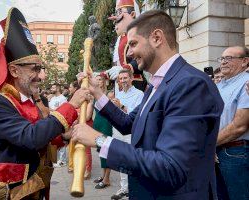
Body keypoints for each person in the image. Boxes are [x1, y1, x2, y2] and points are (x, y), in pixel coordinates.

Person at [72, 10, 224, 199]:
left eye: (133, 43)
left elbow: (171, 166)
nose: (129, 53)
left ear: (157, 38)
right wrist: (97, 92)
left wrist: (99, 141)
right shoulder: (157, 84)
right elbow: (128, 123)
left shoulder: (191, 84)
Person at [0, 8, 89, 200]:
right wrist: (71, 106)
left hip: (36, 188)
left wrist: (64, 136)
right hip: (10, 194)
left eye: (41, 69)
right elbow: (30, 137)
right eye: (35, 69)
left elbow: (43, 133)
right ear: (14, 71)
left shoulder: (32, 100)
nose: (40, 76)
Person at [216, 46, 249, 200]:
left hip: (236, 152)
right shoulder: (219, 85)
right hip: (216, 153)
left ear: (245, 62)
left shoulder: (246, 84)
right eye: (222, 58)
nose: (223, 62)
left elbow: (239, 126)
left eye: (228, 58)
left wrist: (208, 144)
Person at [110, 69, 143, 199]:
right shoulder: (118, 93)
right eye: (121, 79)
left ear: (131, 78)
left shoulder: (139, 94)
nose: (123, 81)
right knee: (121, 160)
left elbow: (137, 115)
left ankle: (134, 188)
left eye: (125, 78)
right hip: (117, 131)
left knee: (132, 160)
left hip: (130, 132)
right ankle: (124, 188)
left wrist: (121, 106)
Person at [107, 0, 147, 92]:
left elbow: (142, 58)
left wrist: (124, 69)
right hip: (121, 82)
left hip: (135, 82)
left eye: (120, 13)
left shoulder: (138, 34)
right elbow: (117, 66)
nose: (116, 25)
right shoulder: (120, 39)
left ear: (132, 14)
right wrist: (102, 74)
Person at [67, 81, 94, 180]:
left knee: (86, 150)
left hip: (86, 126)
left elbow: (87, 116)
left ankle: (88, 170)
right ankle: (79, 167)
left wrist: (77, 116)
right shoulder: (78, 101)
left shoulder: (90, 101)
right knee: (77, 148)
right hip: (78, 126)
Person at [92, 74, 113, 189]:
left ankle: (107, 179)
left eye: (100, 79)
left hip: (107, 124)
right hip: (98, 124)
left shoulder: (109, 94)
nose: (98, 81)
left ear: (104, 81)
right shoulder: (95, 95)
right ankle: (103, 175)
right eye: (97, 80)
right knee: (101, 151)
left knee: (107, 151)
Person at [48, 83, 68, 167]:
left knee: (61, 140)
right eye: (51, 87)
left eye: (53, 87)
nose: (51, 89)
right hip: (51, 121)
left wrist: (51, 110)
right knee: (54, 140)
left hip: (59, 121)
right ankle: (55, 159)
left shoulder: (63, 99)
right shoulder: (52, 98)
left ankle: (62, 161)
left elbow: (63, 110)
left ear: (58, 88)